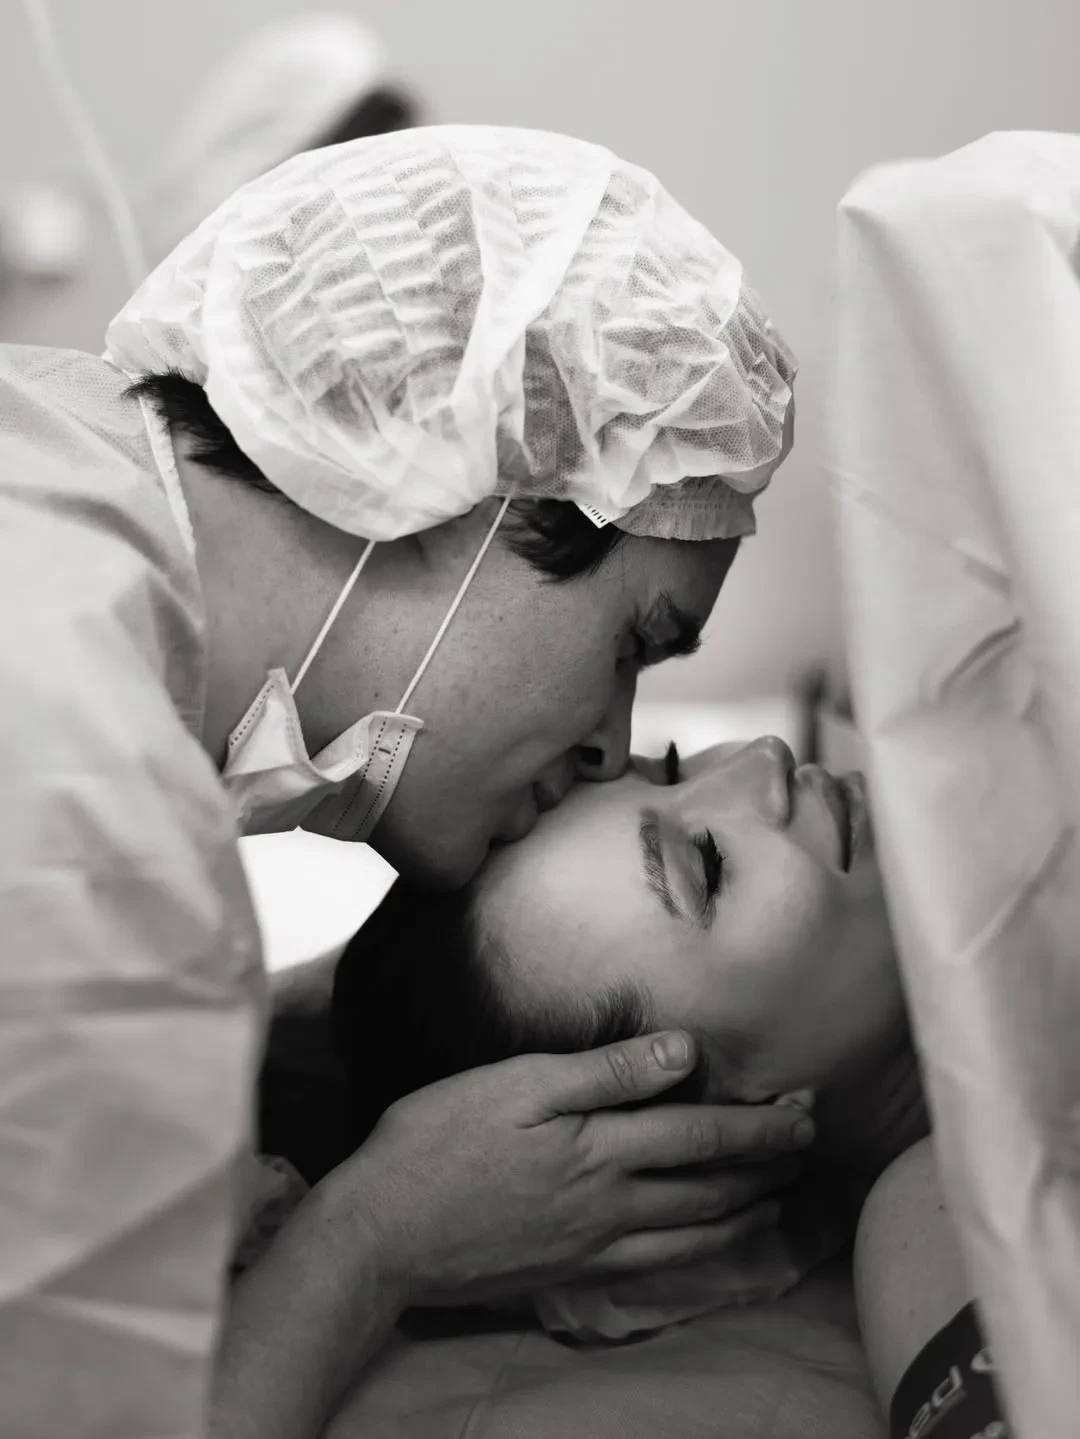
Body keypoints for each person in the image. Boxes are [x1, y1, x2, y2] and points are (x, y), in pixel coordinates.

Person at [0, 127, 809, 1439]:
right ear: (459, 486)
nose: (610, 748)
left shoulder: (44, 454)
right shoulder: (83, 793)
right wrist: (377, 1238)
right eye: (631, 648)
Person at [333, 735, 1008, 1432]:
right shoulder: (942, 1224)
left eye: (670, 770)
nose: (762, 757)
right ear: (738, 1125)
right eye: (708, 867)